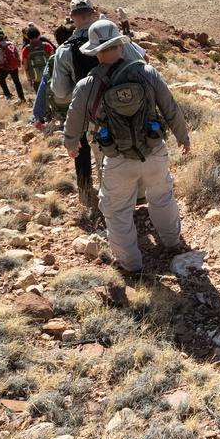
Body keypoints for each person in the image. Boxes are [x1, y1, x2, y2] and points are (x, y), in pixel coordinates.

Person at [62, 19, 190, 275]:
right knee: (162, 197)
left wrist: (71, 143)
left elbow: (74, 120)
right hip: (153, 150)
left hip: (117, 158)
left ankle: (132, 266)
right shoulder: (146, 72)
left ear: (96, 51)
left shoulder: (87, 85)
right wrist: (183, 136)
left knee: (117, 211)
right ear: (120, 45)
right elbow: (170, 107)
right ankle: (173, 242)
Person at [52, 0, 145, 212]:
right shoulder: (114, 39)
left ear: (72, 17)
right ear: (93, 12)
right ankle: (137, 196)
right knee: (132, 147)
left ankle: (99, 200)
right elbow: (140, 62)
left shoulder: (65, 50)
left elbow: (60, 91)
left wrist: (82, 92)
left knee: (101, 158)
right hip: (127, 106)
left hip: (91, 116)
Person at [32, 25, 74, 131]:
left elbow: (43, 86)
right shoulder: (79, 54)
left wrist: (38, 115)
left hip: (60, 105)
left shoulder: (52, 60)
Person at [0, 29, 26, 102]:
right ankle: (22, 97)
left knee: (1, 79)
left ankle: (8, 95)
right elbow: (17, 54)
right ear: (4, 36)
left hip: (4, 67)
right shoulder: (11, 44)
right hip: (14, 66)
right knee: (17, 81)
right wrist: (18, 63)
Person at [22, 25, 55, 92]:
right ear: (39, 35)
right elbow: (54, 61)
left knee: (41, 99)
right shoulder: (47, 45)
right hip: (49, 77)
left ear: (28, 37)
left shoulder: (25, 49)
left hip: (36, 79)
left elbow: (26, 67)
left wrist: (29, 80)